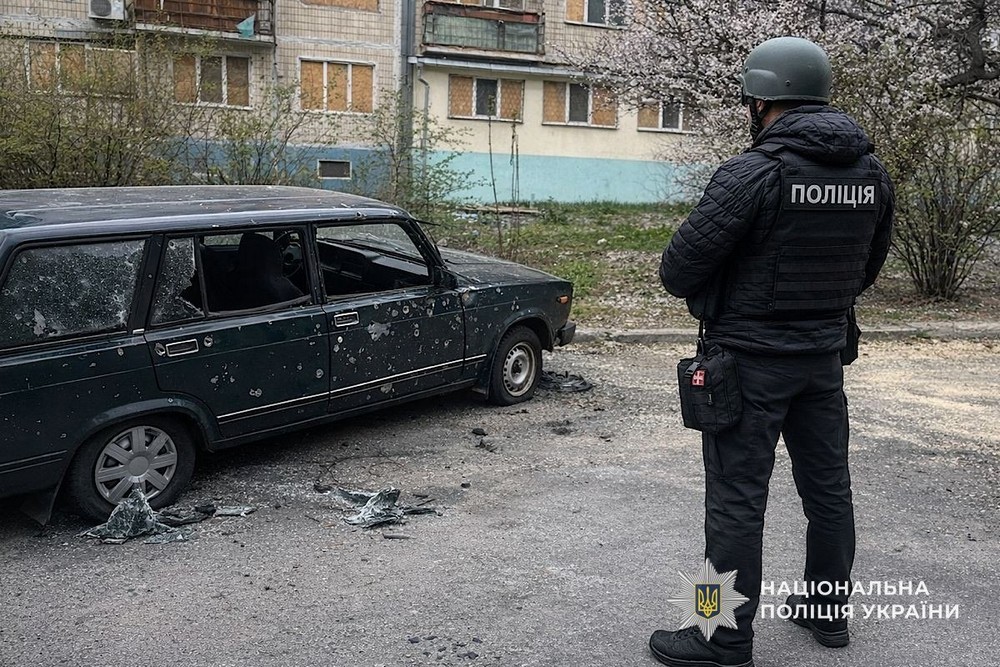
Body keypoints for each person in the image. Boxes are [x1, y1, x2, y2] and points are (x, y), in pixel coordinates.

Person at [650, 36, 895, 667]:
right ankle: (828, 614)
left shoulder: (752, 172)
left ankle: (719, 636)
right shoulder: (871, 174)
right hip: (822, 360)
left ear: (759, 100)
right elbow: (866, 268)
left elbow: (678, 271)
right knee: (829, 493)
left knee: (735, 503)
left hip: (747, 363)